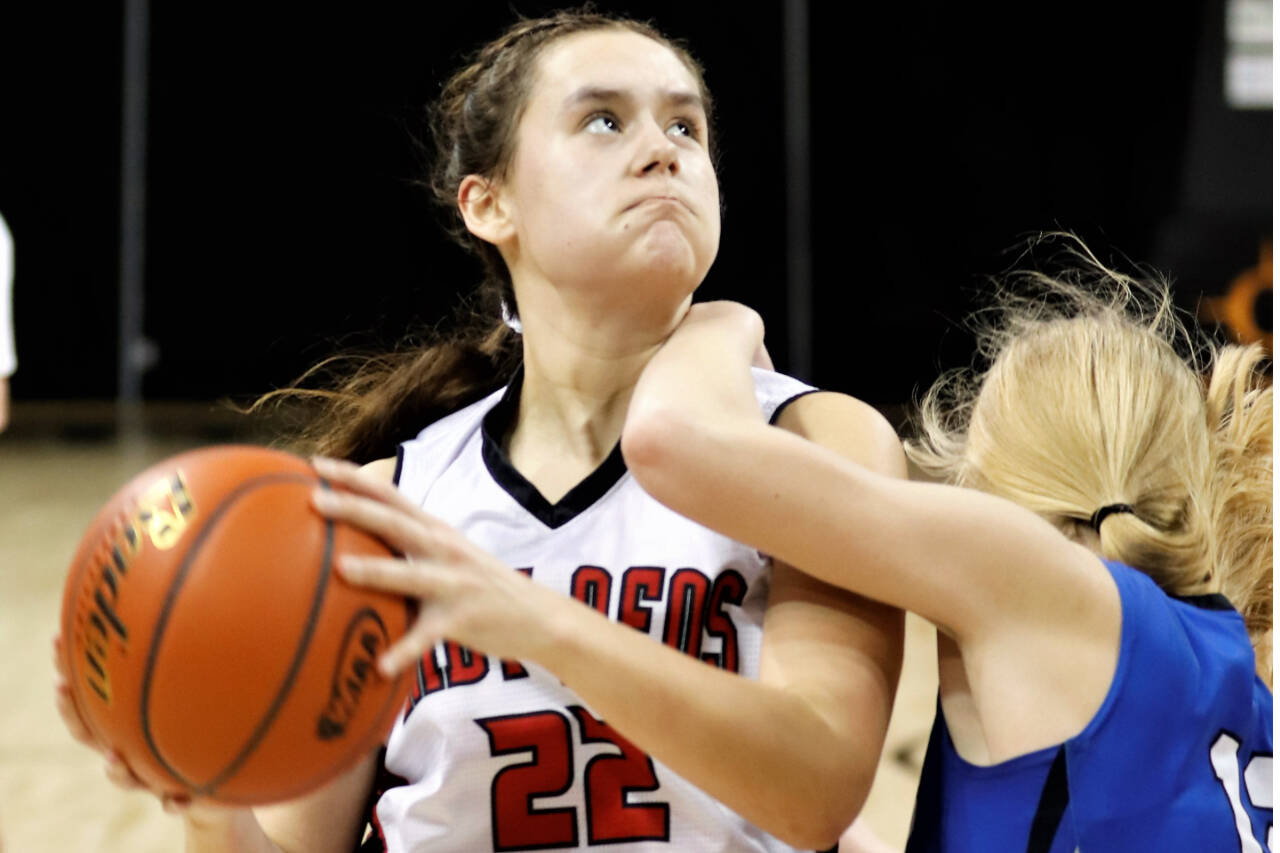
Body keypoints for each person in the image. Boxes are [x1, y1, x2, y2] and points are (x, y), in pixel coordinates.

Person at [55, 9, 906, 852]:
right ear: (488, 203)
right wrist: (210, 799)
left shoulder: (818, 441)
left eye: (686, 123)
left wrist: (535, 620)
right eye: (604, 120)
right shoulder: (391, 502)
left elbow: (816, 788)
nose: (664, 148)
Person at [618, 236, 1274, 852]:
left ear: (986, 478)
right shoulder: (1230, 665)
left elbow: (671, 439)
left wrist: (722, 322)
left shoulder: (1036, 578)